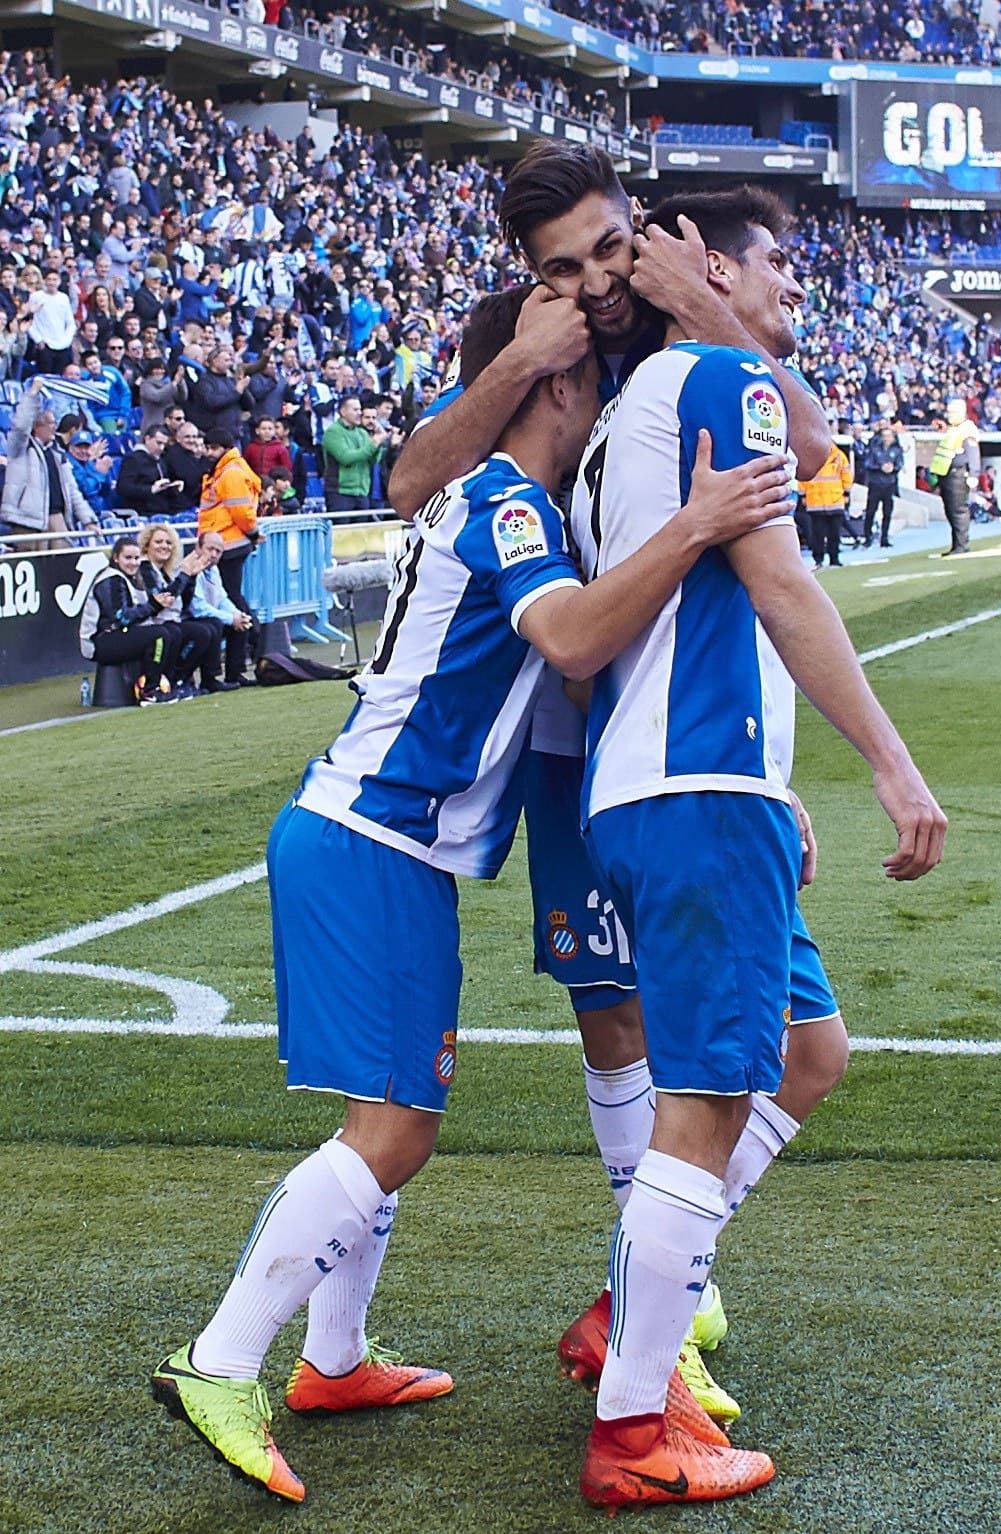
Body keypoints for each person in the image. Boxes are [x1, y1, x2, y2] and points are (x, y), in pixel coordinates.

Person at [150, 283, 793, 1506]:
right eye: (595, 374)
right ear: (552, 380)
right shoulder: (506, 505)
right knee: (394, 1130)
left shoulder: (499, 500)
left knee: (392, 1111)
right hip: (373, 842)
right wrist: (701, 518)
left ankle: (331, 1360)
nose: (610, 393)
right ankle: (219, 1359)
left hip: (386, 847)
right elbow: (574, 641)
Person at [396, 139, 833, 1427]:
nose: (592, 284)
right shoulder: (546, 351)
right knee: (622, 1026)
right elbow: (419, 486)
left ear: (638, 225)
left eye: (605, 248)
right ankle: (655, 1325)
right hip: (573, 749)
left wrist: (705, 310)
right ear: (528, 274)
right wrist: (521, 364)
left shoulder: (674, 334)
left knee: (803, 1051)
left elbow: (805, 445)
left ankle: (642, 1291)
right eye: (560, 268)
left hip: (689, 750)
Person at [567, 186, 945, 1512]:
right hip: (693, 778)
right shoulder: (717, 373)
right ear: (713, 264)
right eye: (774, 260)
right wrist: (891, 766)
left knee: (806, 1053)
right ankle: (632, 1422)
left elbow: (804, 450)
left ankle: (631, 1316)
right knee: (706, 1102)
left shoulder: (638, 408)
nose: (795, 279)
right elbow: (779, 578)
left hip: (675, 780)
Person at [78, 535, 180, 705]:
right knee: (159, 635)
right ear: (116, 558)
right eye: (128, 558)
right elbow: (121, 618)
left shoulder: (130, 578)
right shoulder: (110, 579)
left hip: (118, 634)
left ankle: (170, 683)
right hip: (101, 640)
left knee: (172, 632)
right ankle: (149, 692)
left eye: (136, 558)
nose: (133, 563)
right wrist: (154, 605)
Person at [0, 380, 98, 549]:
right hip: (27, 521)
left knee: (62, 567)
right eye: (51, 423)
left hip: (57, 518)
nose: (55, 427)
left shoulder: (58, 453)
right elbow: (20, 425)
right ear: (37, 426)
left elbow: (72, 490)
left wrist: (88, 520)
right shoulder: (20, 448)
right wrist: (33, 393)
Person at [137, 521, 223, 696]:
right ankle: (170, 679)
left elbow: (183, 601)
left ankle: (185, 678)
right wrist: (185, 575)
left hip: (171, 620)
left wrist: (191, 578)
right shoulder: (145, 568)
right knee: (193, 633)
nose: (165, 546)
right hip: (153, 622)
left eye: (168, 543)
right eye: (159, 542)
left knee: (211, 626)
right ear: (147, 545)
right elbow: (165, 598)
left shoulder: (164, 570)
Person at [198, 427, 260, 613]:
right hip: (229, 540)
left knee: (230, 595)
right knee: (230, 594)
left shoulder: (230, 473)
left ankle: (252, 635)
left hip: (228, 542)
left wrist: (253, 533)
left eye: (213, 448)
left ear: (225, 448)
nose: (208, 453)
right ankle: (249, 635)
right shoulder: (227, 470)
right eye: (207, 448)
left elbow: (241, 511)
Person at [187, 529, 256, 688]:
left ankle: (234, 674)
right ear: (198, 547)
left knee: (242, 621)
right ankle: (209, 679)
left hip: (206, 617)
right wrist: (231, 618)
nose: (213, 554)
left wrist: (237, 615)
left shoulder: (213, 569)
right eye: (209, 549)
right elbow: (198, 608)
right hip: (189, 619)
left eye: (218, 551)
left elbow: (221, 598)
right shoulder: (190, 567)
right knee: (216, 624)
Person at [929, 399, 981, 556]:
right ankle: (956, 544)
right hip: (947, 474)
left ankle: (961, 544)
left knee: (958, 511)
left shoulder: (967, 430)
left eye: (952, 413)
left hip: (957, 474)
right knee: (951, 511)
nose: (949, 415)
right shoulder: (954, 429)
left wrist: (973, 474)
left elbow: (972, 453)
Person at [322, 394, 385, 515]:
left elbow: (372, 460)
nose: (359, 413)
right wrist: (373, 444)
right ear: (343, 411)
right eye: (355, 409)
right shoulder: (333, 432)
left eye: (360, 409)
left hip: (362, 493)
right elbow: (346, 457)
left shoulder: (361, 432)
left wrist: (378, 446)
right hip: (340, 494)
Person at [800, 439, 853, 569]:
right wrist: (803, 495)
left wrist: (846, 492)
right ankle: (818, 559)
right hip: (816, 501)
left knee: (834, 533)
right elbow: (802, 477)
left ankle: (834, 558)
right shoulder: (810, 457)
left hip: (834, 500)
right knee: (818, 534)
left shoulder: (839, 457)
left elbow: (847, 474)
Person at [115, 423, 180, 520]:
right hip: (143, 512)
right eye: (159, 443)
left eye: (164, 444)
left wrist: (173, 488)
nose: (161, 448)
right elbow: (123, 487)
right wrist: (150, 489)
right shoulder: (133, 459)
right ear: (147, 439)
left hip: (163, 510)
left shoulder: (161, 460)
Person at [863, 422, 902, 548]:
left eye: (888, 436)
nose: (886, 438)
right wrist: (880, 467)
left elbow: (900, 463)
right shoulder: (875, 448)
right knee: (870, 511)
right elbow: (867, 464)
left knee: (887, 512)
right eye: (884, 436)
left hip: (889, 484)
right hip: (875, 483)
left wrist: (893, 468)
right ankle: (867, 537)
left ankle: (884, 538)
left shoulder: (896, 450)